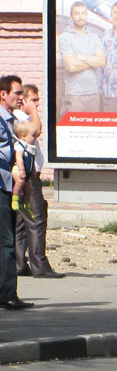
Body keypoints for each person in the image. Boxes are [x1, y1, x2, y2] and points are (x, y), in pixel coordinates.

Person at [14, 84, 62, 278]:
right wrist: (33, 111)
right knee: (36, 219)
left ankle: (19, 263)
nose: (37, 104)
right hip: (28, 176)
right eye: (33, 100)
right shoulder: (21, 119)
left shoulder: (21, 118)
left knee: (21, 222)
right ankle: (39, 265)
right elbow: (37, 131)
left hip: (27, 175)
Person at [0, 75, 34, 309]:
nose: (20, 97)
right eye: (17, 93)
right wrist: (14, 161)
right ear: (3, 94)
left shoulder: (12, 120)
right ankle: (7, 295)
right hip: (2, 184)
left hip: (8, 184)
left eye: (22, 93)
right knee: (7, 242)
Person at [58, 0, 105, 113]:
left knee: (93, 129)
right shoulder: (65, 37)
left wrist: (81, 57)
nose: (80, 17)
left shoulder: (95, 37)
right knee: (74, 129)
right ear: (71, 16)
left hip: (93, 95)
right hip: (74, 95)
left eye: (83, 13)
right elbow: (71, 67)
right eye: (77, 13)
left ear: (87, 15)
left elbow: (102, 62)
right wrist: (92, 60)